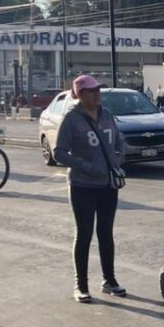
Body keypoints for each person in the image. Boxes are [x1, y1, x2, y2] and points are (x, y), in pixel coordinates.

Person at [53, 75, 127, 304]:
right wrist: (87, 166)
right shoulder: (72, 119)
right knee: (84, 233)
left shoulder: (107, 115)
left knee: (106, 232)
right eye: (91, 91)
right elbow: (59, 152)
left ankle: (109, 280)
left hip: (107, 185)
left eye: (98, 90)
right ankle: (81, 284)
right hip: (82, 185)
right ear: (79, 94)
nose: (96, 94)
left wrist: (117, 160)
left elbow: (119, 141)